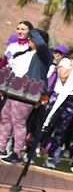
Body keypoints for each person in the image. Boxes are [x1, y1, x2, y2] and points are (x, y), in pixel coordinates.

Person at [0, 23, 52, 164]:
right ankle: (2, 148)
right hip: (13, 90)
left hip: (28, 93)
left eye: (31, 38)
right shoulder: (24, 52)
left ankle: (17, 153)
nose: (28, 40)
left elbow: (41, 44)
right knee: (5, 119)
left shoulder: (44, 55)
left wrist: (32, 31)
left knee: (18, 122)